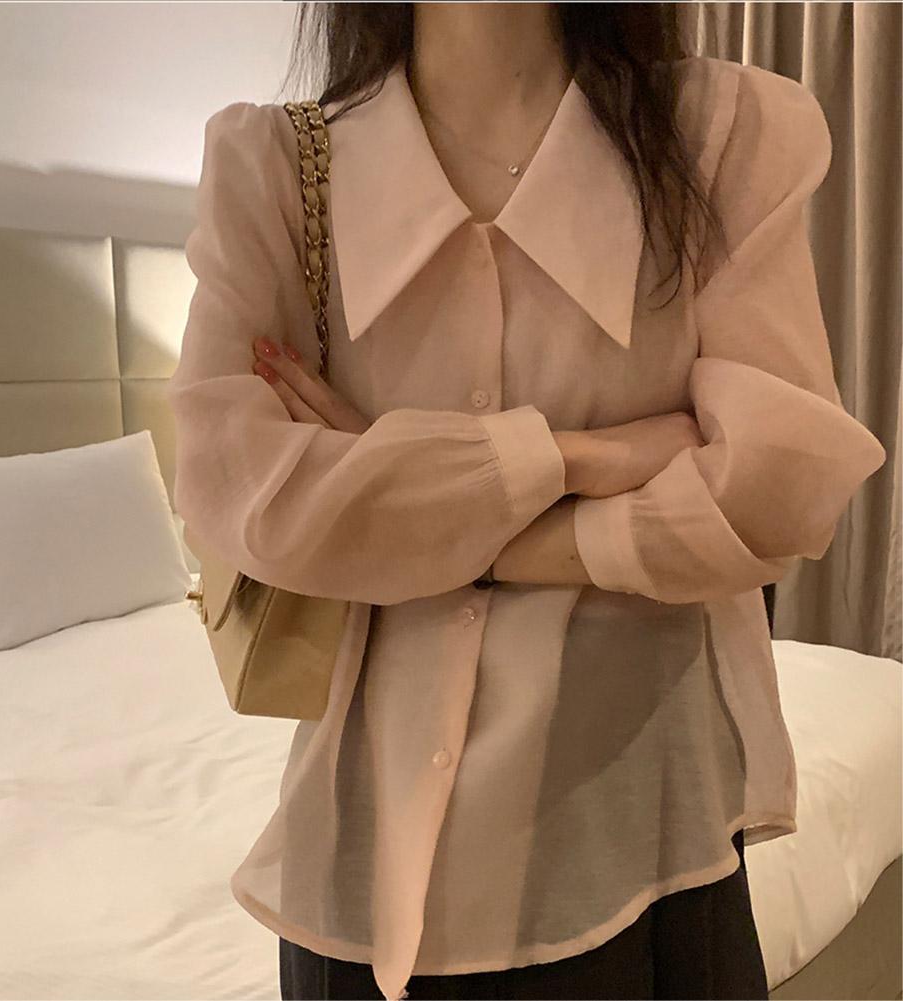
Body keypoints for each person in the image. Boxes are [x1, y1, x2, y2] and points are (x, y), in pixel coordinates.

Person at [166, 4, 888, 1000]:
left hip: (643, 857)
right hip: (362, 885)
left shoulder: (718, 137)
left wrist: (413, 500)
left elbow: (778, 487)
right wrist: (580, 455)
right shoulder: (277, 173)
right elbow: (239, 497)